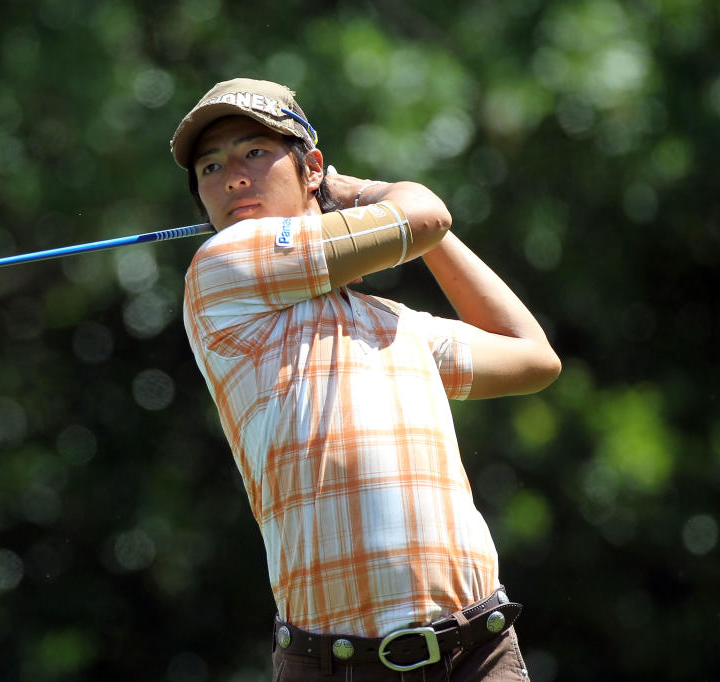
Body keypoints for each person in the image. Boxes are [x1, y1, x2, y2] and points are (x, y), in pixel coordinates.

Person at [170, 78, 561, 681]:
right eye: (210, 168)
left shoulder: (391, 323)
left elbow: (532, 357)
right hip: (339, 666)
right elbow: (424, 214)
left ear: (311, 170)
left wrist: (399, 218)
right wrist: (370, 198)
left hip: (479, 652)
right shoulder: (220, 270)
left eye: (254, 152)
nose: (233, 177)